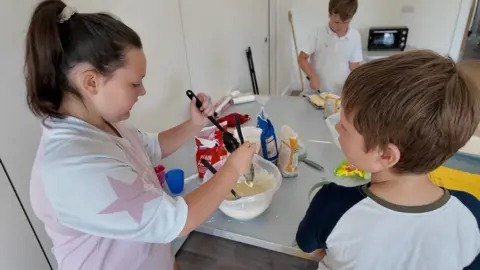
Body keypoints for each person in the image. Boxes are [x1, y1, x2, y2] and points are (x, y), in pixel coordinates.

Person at [26, 1, 256, 270]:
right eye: (135, 83)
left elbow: (148, 146)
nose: (142, 91)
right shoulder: (71, 167)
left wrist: (194, 125)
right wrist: (232, 168)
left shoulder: (101, 123)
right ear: (91, 82)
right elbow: (175, 221)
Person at [296, 50, 480, 270]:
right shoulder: (471, 213)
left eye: (344, 126)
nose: (337, 127)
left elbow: (309, 249)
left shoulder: (332, 205)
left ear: (385, 155)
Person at [298, 0, 362, 95]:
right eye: (336, 22)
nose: (340, 27)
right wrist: (312, 76)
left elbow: (354, 66)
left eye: (345, 23)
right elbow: (302, 58)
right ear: (329, 15)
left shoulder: (355, 36)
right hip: (315, 92)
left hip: (339, 93)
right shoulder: (317, 33)